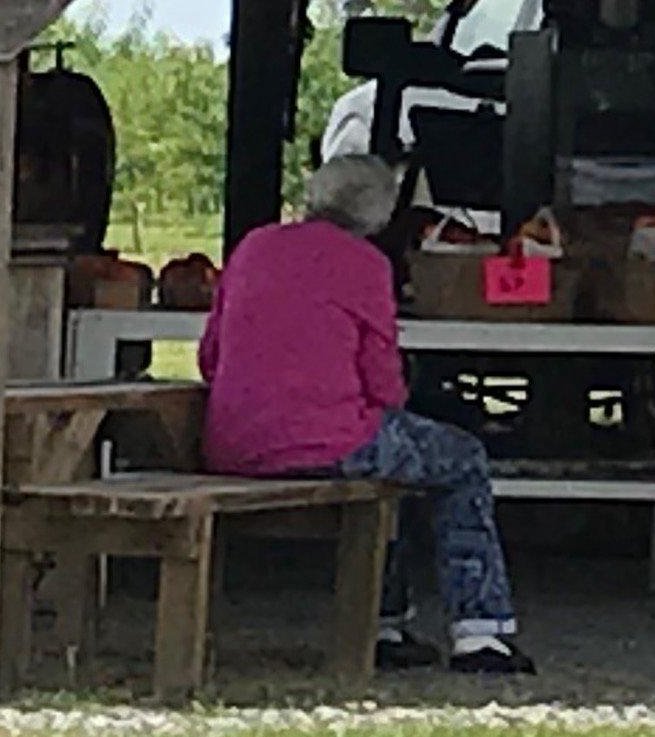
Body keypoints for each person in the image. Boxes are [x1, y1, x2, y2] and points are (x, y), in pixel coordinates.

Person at [200, 152, 533, 677]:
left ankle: (387, 623)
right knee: (460, 458)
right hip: (330, 439)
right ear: (379, 214)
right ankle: (479, 632)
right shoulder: (364, 265)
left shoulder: (254, 246)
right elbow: (383, 384)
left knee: (395, 461)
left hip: (234, 440)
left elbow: (209, 357)